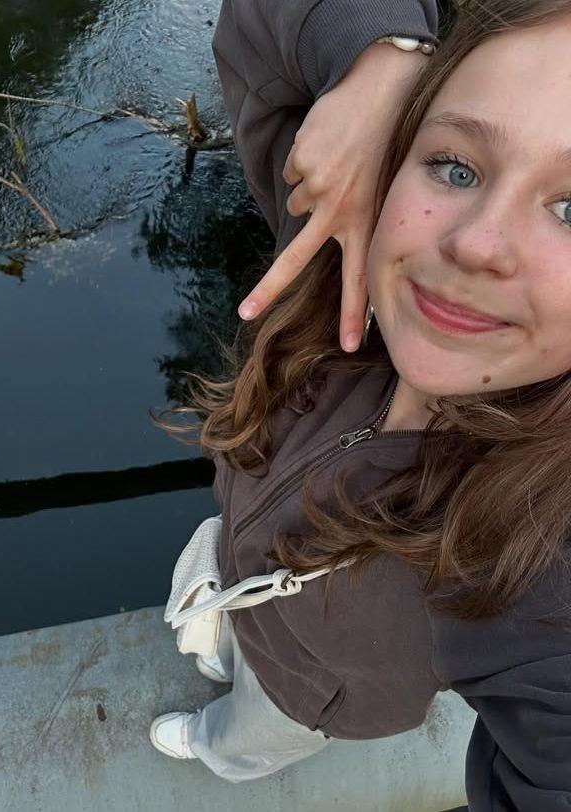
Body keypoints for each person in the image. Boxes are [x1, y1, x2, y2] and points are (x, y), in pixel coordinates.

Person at [150, 1, 571, 809]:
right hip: (246, 571)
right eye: (455, 166)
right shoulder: (338, 251)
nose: (475, 243)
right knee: (234, 640)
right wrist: (384, 60)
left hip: (317, 694)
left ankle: (218, 749)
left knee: (252, 730)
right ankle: (228, 641)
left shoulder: (536, 547)